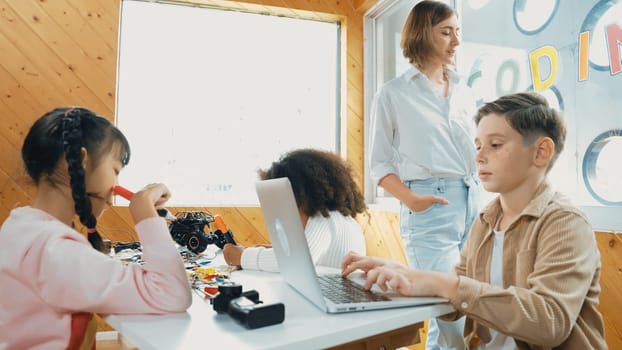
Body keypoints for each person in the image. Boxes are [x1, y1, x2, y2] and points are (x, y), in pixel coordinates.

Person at [343, 92, 607, 349]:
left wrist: (445, 285)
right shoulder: (487, 220)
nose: (479, 156)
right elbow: (459, 300)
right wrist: (403, 275)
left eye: (495, 145)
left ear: (540, 152)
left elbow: (550, 323)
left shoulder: (565, 222)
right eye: (478, 146)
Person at [0, 108, 192, 349]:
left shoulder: (19, 226)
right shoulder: (54, 250)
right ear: (81, 161)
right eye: (115, 171)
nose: (115, 186)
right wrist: (145, 213)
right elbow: (172, 293)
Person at [368, 1, 479, 348]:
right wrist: (413, 200)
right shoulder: (393, 93)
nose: (456, 41)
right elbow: (379, 165)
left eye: (458, 32)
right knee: (451, 313)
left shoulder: (465, 91)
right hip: (429, 206)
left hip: (473, 202)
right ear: (421, 34)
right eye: (446, 32)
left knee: (459, 311)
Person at [223, 148, 367, 272]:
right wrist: (274, 251)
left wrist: (241, 256)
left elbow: (297, 262)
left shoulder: (324, 218)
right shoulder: (343, 219)